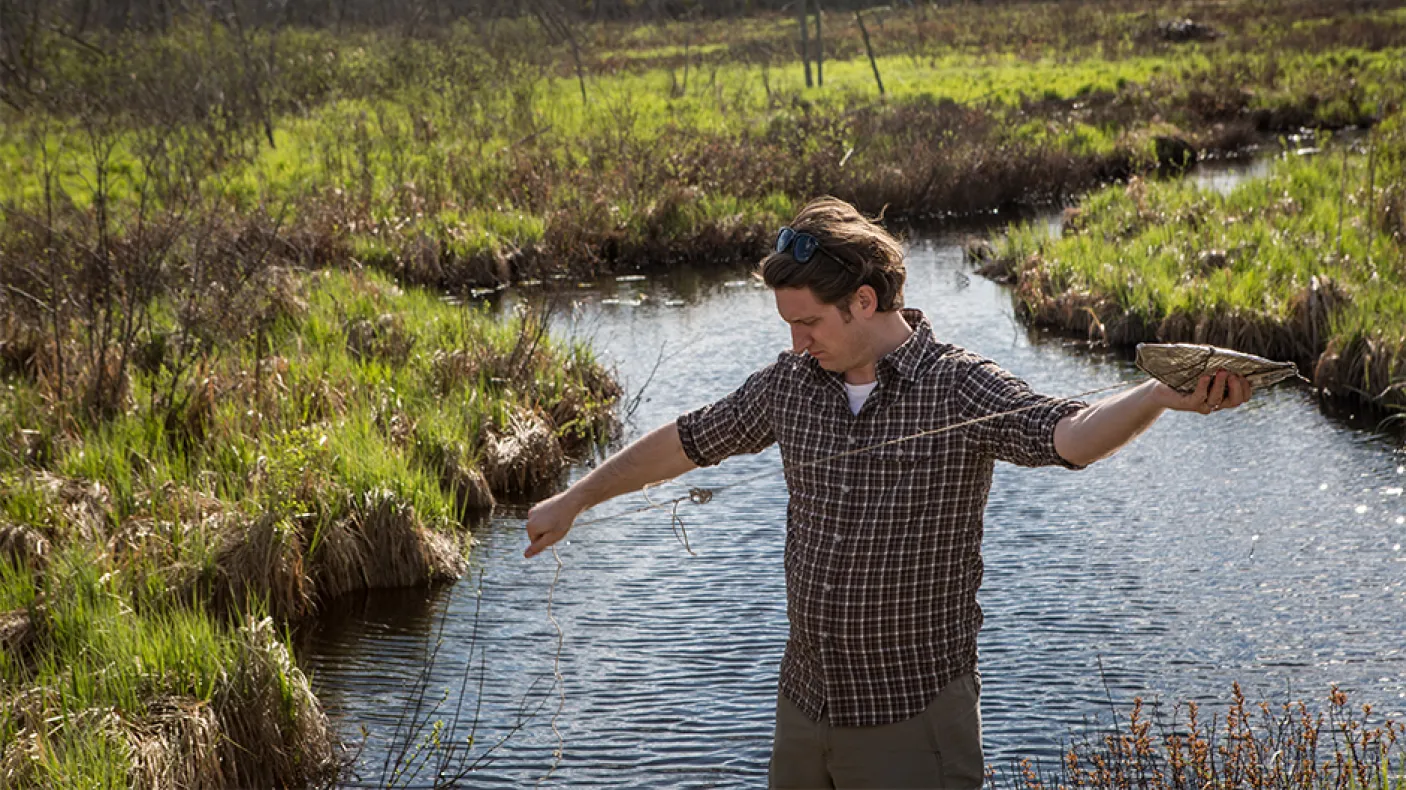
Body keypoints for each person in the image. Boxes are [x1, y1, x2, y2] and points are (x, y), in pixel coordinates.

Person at [523, 197, 1253, 789]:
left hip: (912, 725)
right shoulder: (792, 385)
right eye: (788, 325)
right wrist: (576, 499)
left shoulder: (957, 385)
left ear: (864, 300)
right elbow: (689, 438)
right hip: (805, 712)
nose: (796, 343)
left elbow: (1069, 435)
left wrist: (1157, 396)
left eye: (807, 323)